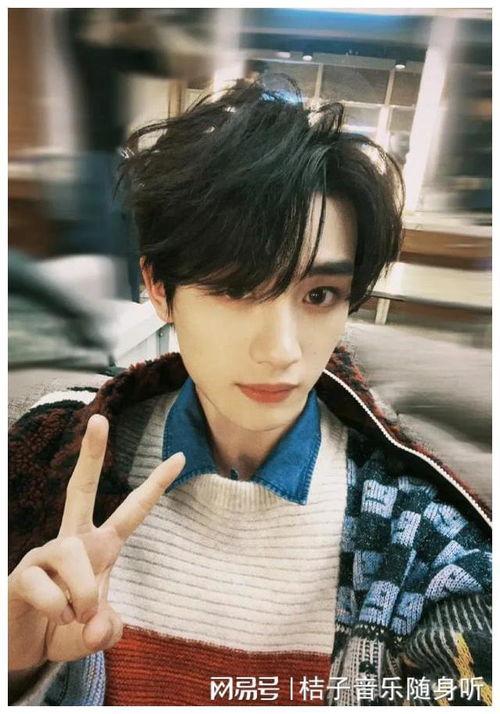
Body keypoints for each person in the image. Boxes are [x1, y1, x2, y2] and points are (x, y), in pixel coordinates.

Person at [8, 79, 491, 706]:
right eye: (237, 290)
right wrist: (17, 668)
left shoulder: (413, 538)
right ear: (159, 288)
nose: (283, 350)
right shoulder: (48, 465)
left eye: (319, 295)